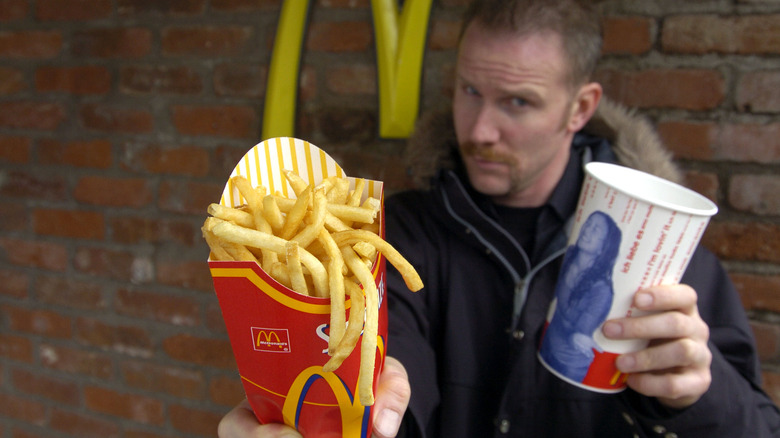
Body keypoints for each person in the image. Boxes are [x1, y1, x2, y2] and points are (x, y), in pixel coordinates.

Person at [218, 0, 780, 436]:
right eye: (470, 90)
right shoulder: (398, 234)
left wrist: (694, 397)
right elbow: (395, 387)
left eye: (517, 102)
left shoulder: (666, 259)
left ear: (580, 108)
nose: (480, 130)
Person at [540, 211, 621, 383]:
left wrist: (581, 337)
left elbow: (582, 329)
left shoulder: (602, 290)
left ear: (603, 246)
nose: (587, 231)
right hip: (545, 347)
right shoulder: (568, 255)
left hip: (568, 367)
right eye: (588, 224)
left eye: (596, 230)